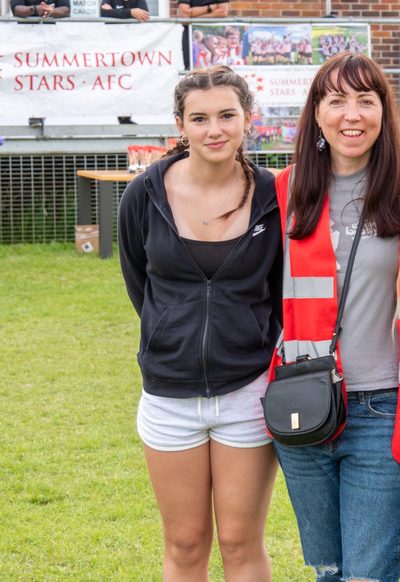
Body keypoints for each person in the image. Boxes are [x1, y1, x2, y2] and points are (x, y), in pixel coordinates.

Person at [118, 66, 282, 580]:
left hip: (248, 394)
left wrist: (245, 339)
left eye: (227, 115)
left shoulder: (274, 196)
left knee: (240, 542)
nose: (215, 129)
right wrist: (175, 334)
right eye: (200, 118)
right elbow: (139, 285)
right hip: (169, 397)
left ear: (247, 120)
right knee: (186, 544)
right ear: (180, 125)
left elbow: (281, 292)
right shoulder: (144, 194)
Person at [270, 52, 400, 582]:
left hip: (382, 408)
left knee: (369, 574)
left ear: (384, 112)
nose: (351, 114)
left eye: (365, 99)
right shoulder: (284, 191)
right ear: (317, 114)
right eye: (336, 101)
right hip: (302, 403)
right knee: (329, 571)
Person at [177, 0, 230, 70]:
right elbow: (185, 13)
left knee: (218, 73)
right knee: (192, 72)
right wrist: (209, 8)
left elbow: (222, 12)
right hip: (190, 36)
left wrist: (193, 18)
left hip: (213, 33)